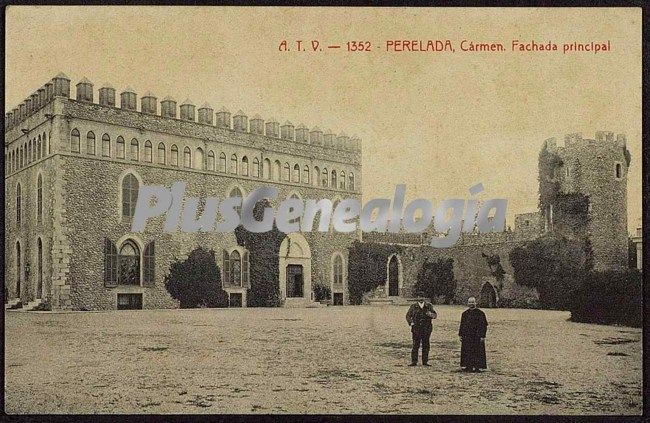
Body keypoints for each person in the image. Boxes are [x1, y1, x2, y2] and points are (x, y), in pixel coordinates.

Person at [458, 296, 488, 372]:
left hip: (477, 336)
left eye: (472, 302)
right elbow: (462, 325)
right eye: (470, 302)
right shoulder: (464, 314)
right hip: (467, 336)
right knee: (467, 351)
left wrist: (482, 336)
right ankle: (468, 366)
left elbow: (483, 325)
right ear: (468, 303)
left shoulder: (480, 313)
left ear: (475, 303)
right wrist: (460, 335)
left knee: (477, 351)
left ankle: (477, 367)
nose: (471, 304)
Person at [405, 298, 437, 366]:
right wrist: (411, 323)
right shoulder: (413, 306)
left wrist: (430, 314)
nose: (421, 298)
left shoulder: (428, 306)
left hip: (426, 329)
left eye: (422, 297)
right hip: (416, 329)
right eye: (419, 297)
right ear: (417, 298)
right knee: (415, 345)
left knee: (426, 345)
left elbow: (435, 315)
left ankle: (425, 361)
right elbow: (408, 316)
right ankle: (414, 361)